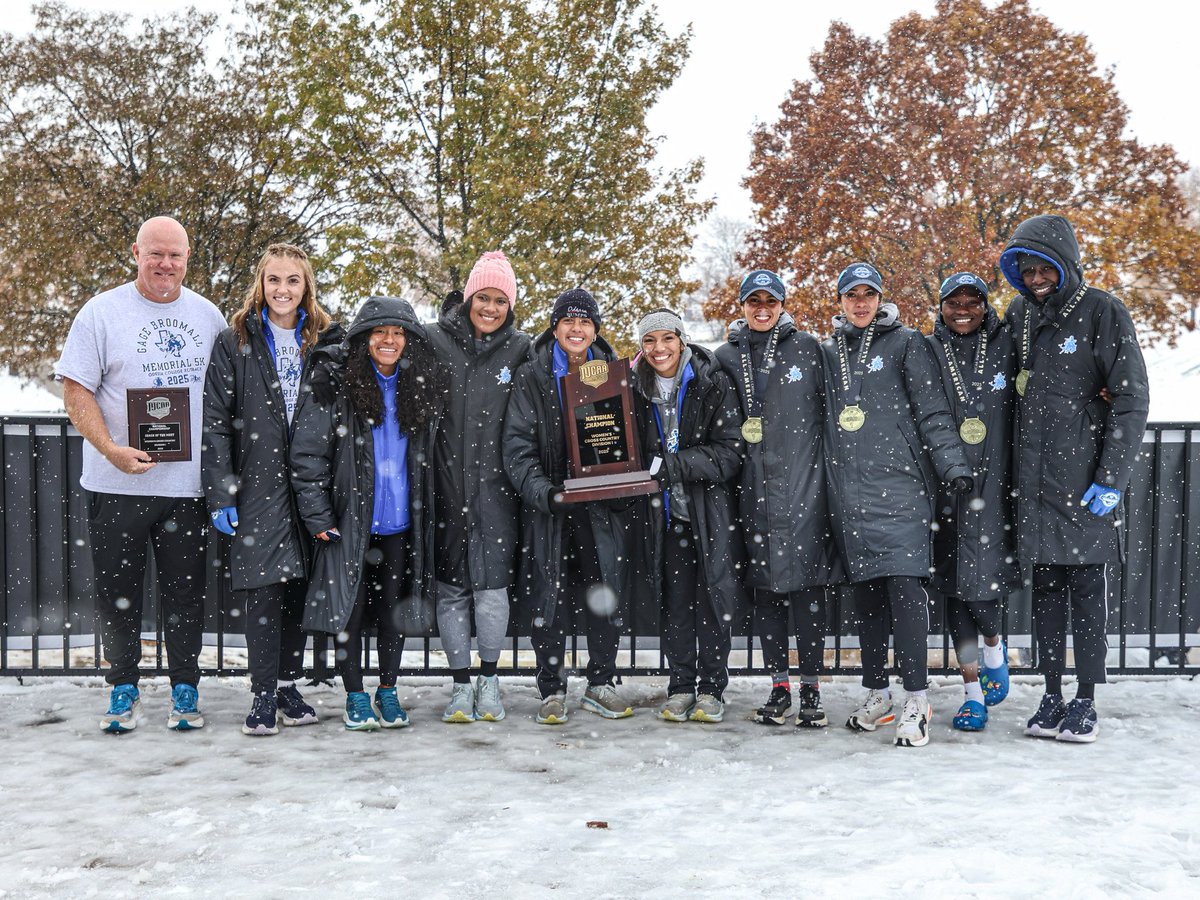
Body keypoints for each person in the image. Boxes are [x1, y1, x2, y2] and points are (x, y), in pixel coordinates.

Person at [55, 215, 227, 733]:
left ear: (188, 258)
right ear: (136, 253)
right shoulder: (100, 312)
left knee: (185, 594)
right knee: (118, 593)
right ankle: (123, 686)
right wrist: (109, 449)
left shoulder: (208, 316)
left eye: (175, 255)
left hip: (187, 488)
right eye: (156, 253)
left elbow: (226, 395)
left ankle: (185, 687)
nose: (165, 264)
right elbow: (75, 389)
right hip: (115, 484)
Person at [999, 214, 1149, 743]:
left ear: (1066, 264)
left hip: (1083, 481)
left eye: (1046, 268)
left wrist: (1111, 478)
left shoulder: (1103, 310)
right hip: (1035, 485)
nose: (1037, 279)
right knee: (1044, 593)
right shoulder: (1018, 314)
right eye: (1028, 270)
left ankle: (1085, 698)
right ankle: (1050, 694)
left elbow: (1131, 399)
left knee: (1087, 593)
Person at [821, 262, 972, 748]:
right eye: (852, 295)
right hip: (850, 497)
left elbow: (932, 411)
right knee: (867, 600)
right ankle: (878, 694)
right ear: (841, 301)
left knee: (905, 594)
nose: (860, 303)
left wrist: (952, 464)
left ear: (880, 298)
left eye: (868, 294)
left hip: (901, 492)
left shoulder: (907, 343)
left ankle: (916, 699)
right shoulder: (829, 351)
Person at [202, 243, 341, 736]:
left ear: (307, 287)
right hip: (257, 483)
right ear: (261, 284)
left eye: (293, 280)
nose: (283, 290)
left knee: (301, 589)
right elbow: (216, 421)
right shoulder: (236, 339)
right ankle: (262, 694)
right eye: (274, 279)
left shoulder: (325, 340)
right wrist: (222, 493)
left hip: (312, 483)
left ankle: (287, 685)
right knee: (263, 592)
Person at [289, 297, 444, 731]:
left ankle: (388, 690)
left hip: (401, 525)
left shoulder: (419, 387)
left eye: (398, 333)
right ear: (364, 339)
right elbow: (307, 455)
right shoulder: (336, 385)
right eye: (379, 332)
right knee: (350, 613)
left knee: (394, 612)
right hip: (349, 523)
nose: (389, 340)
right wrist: (318, 516)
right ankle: (355, 695)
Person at [502, 289, 633, 724]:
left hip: (600, 508)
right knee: (549, 597)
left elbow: (627, 438)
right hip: (551, 509)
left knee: (604, 595)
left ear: (595, 330)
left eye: (585, 322)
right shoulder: (532, 375)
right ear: (555, 327)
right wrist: (545, 493)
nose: (577, 329)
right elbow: (517, 447)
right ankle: (552, 688)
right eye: (568, 321)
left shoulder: (611, 373)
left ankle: (601, 683)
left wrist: (618, 479)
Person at [715, 270, 838, 728]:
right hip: (751, 495)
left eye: (771, 301)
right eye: (754, 301)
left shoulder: (808, 349)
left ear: (783, 304)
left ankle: (812, 688)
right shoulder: (725, 357)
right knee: (766, 595)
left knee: (807, 594)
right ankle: (779, 687)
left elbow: (832, 412)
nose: (762, 309)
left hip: (805, 492)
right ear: (743, 306)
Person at [428, 251, 530, 722]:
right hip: (445, 486)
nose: (490, 308)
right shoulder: (434, 340)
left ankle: (489, 681)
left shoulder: (522, 349)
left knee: (492, 591)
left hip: (498, 493)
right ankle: (460, 685)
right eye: (483, 297)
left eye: (500, 300)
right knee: (451, 589)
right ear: (468, 297)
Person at [632, 308, 744, 723]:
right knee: (675, 605)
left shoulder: (711, 381)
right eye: (649, 341)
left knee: (712, 602)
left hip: (707, 513)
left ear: (681, 340)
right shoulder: (633, 387)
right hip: (663, 518)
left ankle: (712, 689)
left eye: (667, 338)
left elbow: (730, 453)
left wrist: (673, 465)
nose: (658, 348)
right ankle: (680, 686)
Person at [926, 272, 1019, 732]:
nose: (962, 310)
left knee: (983, 588)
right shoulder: (927, 349)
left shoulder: (1008, 343)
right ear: (940, 307)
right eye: (953, 302)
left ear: (986, 306)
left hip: (998, 482)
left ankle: (994, 646)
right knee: (952, 590)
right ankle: (971, 693)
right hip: (943, 484)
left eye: (972, 302)